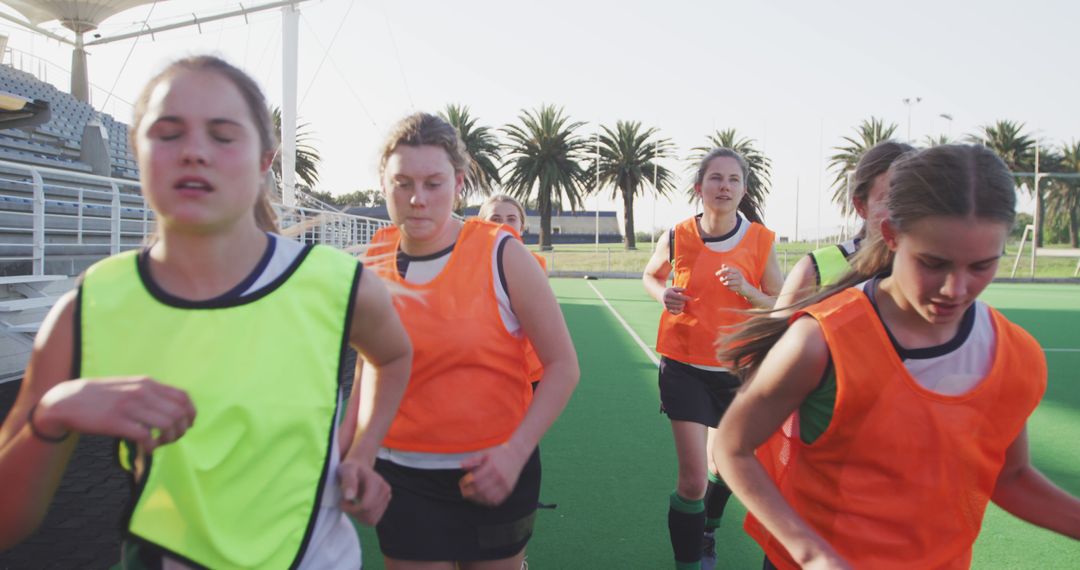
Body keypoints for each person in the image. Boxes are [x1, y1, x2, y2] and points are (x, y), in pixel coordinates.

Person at [0, 56, 413, 569]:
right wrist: (51, 416)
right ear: (138, 151)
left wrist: (362, 452)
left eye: (222, 135)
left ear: (266, 159)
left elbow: (393, 357)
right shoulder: (91, 306)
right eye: (168, 133)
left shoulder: (340, 285)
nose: (194, 152)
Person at [713, 144, 1080, 569]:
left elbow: (1011, 476)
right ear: (890, 235)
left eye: (981, 266)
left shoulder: (1014, 354)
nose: (954, 289)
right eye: (933, 262)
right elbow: (732, 447)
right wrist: (811, 553)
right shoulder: (821, 340)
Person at [363, 113, 578, 570]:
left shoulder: (503, 253)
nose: (417, 199)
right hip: (403, 477)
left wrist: (514, 453)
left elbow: (562, 366)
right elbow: (369, 366)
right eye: (402, 183)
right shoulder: (374, 257)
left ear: (458, 183)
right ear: (383, 184)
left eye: (434, 183)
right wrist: (359, 452)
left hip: (496, 469)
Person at [642, 148, 783, 570]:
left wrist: (748, 290)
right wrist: (662, 295)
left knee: (727, 465)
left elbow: (780, 303)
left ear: (743, 189)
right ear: (699, 187)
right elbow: (652, 275)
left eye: (733, 180)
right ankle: (690, 561)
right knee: (692, 479)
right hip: (684, 366)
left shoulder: (760, 240)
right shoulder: (678, 234)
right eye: (716, 178)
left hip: (740, 370)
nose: (724, 186)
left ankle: (707, 529)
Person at [775, 141, 914, 309]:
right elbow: (778, 333)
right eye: (891, 201)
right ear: (861, 206)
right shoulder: (813, 269)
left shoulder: (940, 277)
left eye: (917, 199)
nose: (905, 212)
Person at [478, 193, 547, 384]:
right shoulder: (468, 263)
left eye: (511, 219)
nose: (504, 225)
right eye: (495, 219)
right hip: (483, 367)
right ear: (481, 224)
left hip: (527, 369)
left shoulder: (535, 264)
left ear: (522, 226)